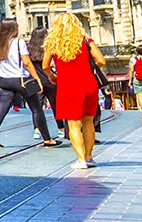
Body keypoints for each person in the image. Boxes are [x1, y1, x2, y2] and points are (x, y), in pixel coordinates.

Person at [44, 13, 105, 170]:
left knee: (73, 124)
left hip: (68, 86)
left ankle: (81, 160)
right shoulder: (86, 41)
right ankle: (90, 157)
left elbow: (45, 66)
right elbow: (101, 61)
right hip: (89, 84)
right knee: (88, 122)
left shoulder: (53, 43)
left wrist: (53, 76)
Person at [0, 19, 59, 148]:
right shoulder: (19, 43)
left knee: (2, 109)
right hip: (22, 80)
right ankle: (47, 139)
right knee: (36, 108)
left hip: (4, 81)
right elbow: (27, 62)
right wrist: (37, 79)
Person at [28, 28, 65, 140]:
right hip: (49, 80)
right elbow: (52, 64)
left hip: (33, 80)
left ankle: (37, 130)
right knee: (55, 105)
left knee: (36, 107)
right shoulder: (48, 48)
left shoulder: (28, 48)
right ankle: (61, 129)